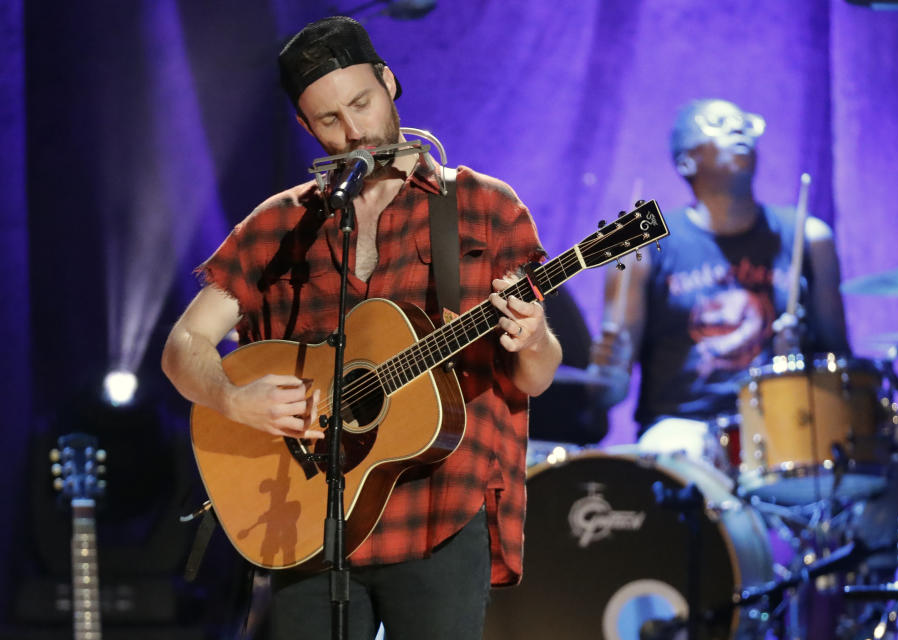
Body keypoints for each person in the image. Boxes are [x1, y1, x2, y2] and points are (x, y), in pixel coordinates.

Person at [161, 16, 561, 640]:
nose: (353, 133)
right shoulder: (279, 226)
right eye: (328, 121)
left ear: (389, 83)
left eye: (361, 104)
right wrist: (233, 399)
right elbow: (184, 347)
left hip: (439, 510)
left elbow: (533, 377)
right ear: (305, 127)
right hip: (304, 514)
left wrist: (533, 340)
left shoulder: (484, 206)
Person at [591, 97, 849, 462]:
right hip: (682, 427)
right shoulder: (639, 245)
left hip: (784, 419)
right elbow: (609, 392)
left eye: (744, 122)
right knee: (671, 453)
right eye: (717, 124)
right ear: (686, 161)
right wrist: (604, 370)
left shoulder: (808, 236)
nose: (738, 129)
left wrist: (799, 359)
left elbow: (840, 361)